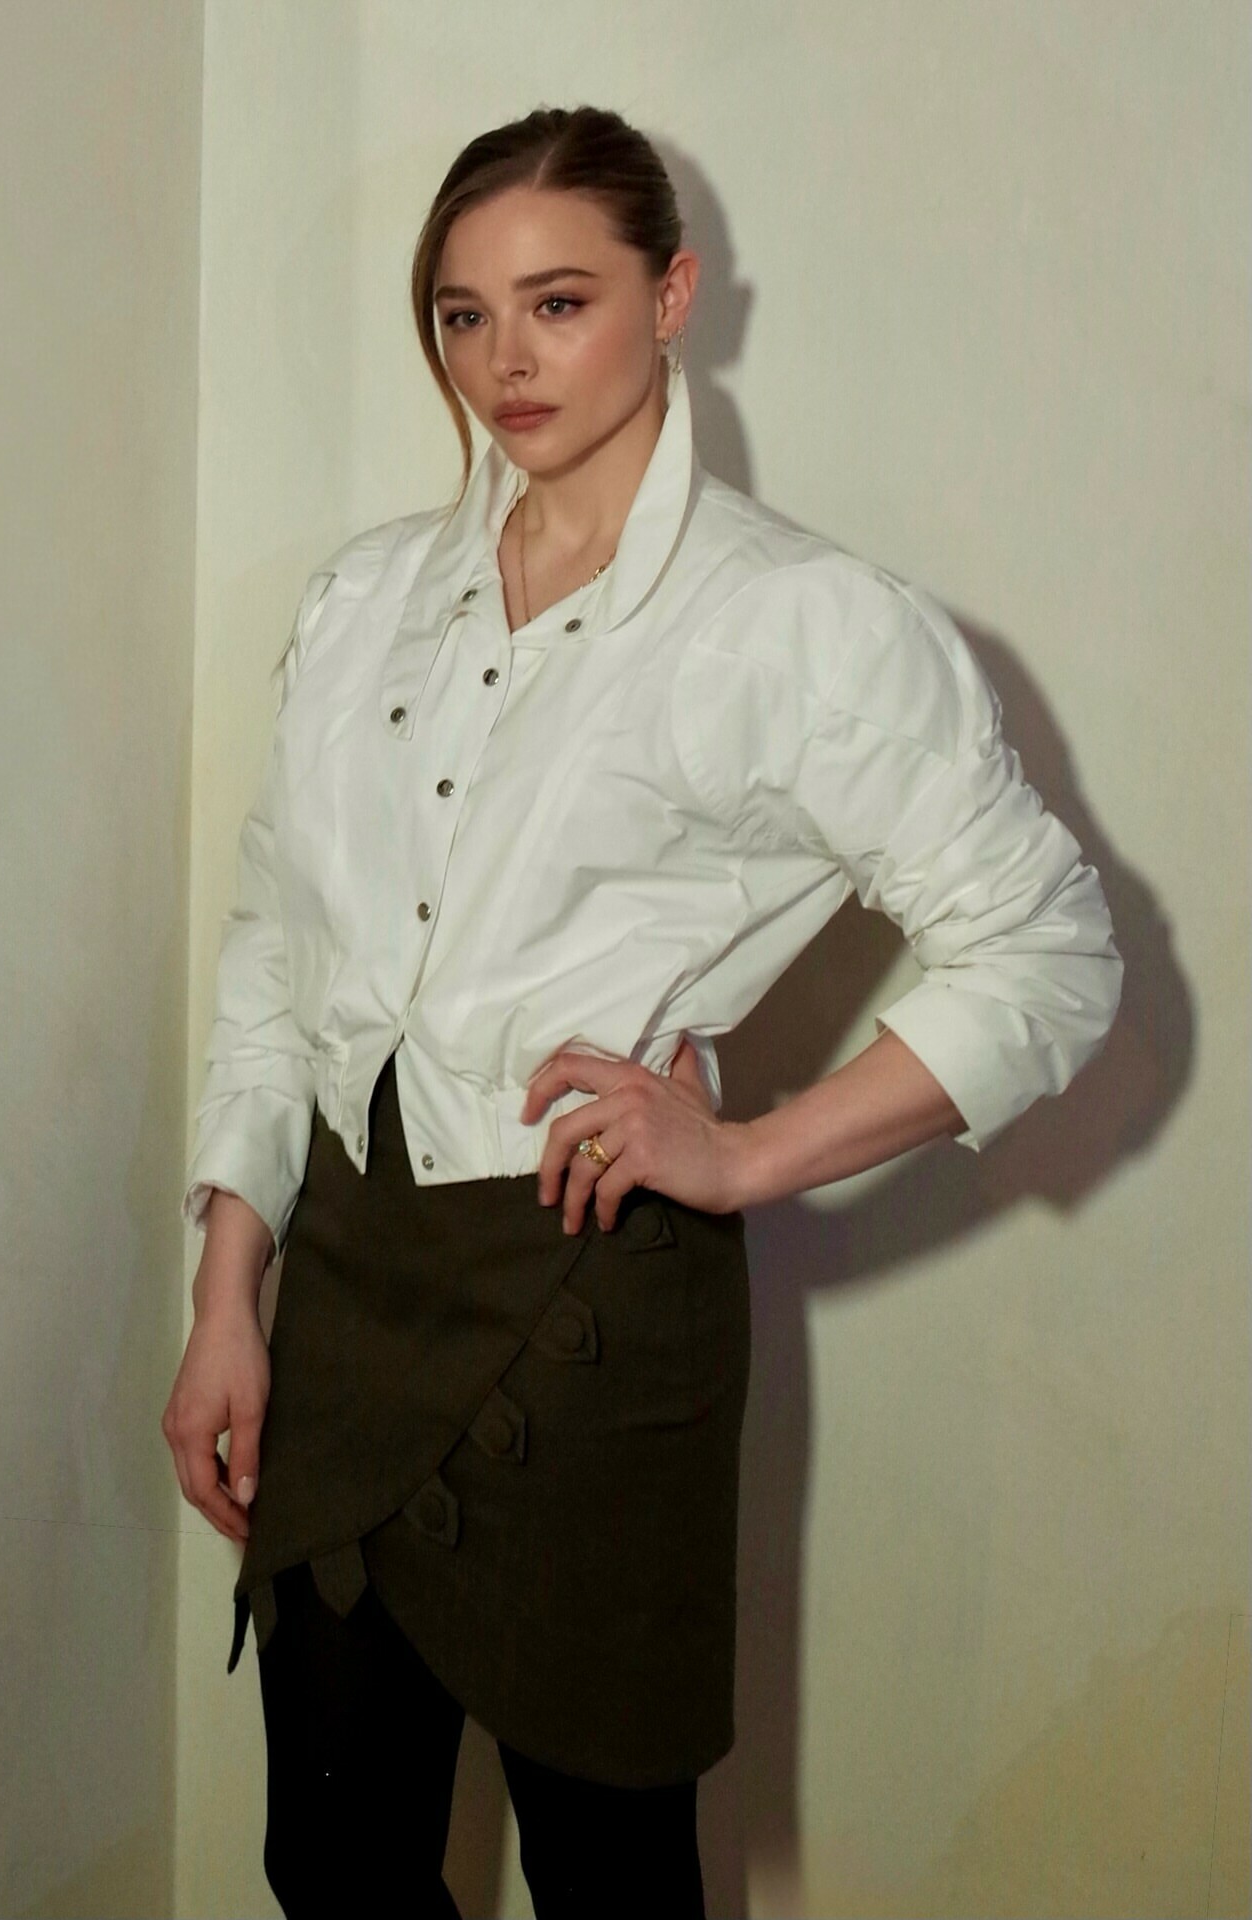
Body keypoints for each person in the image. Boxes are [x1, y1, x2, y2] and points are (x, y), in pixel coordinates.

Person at [161, 104, 1123, 1919]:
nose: (506, 363)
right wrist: (230, 1293)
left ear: (671, 297)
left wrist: (750, 1152)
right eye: (463, 315)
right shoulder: (365, 602)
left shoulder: (804, 623)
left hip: (591, 1318)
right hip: (349, 1299)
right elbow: (279, 950)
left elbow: (1048, 949)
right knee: (333, 1866)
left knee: (611, 1879)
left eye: (560, 302)